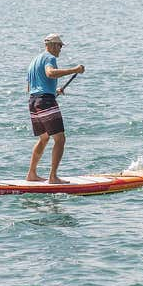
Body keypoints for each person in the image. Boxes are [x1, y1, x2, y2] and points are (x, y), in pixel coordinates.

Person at [26, 33, 85, 183]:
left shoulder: (34, 61)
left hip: (33, 102)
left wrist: (53, 91)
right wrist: (74, 70)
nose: (60, 49)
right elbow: (50, 73)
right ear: (51, 45)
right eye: (59, 46)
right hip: (45, 102)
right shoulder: (49, 58)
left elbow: (31, 87)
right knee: (60, 139)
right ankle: (53, 177)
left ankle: (31, 174)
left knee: (44, 138)